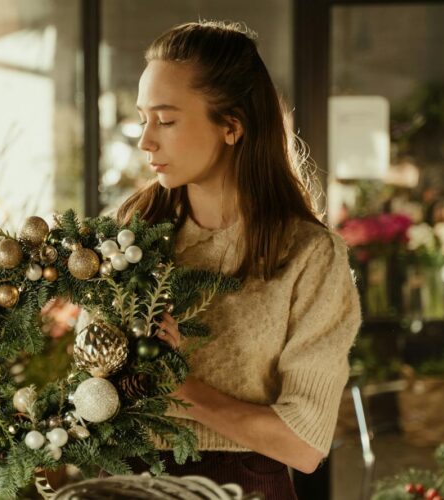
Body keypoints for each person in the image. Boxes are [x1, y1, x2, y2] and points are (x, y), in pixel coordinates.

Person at [118, 21, 362, 498]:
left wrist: (184, 388)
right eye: (142, 118)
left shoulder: (309, 257)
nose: (147, 140)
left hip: (241, 488)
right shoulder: (128, 235)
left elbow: (304, 443)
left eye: (165, 120)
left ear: (232, 125)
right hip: (123, 482)